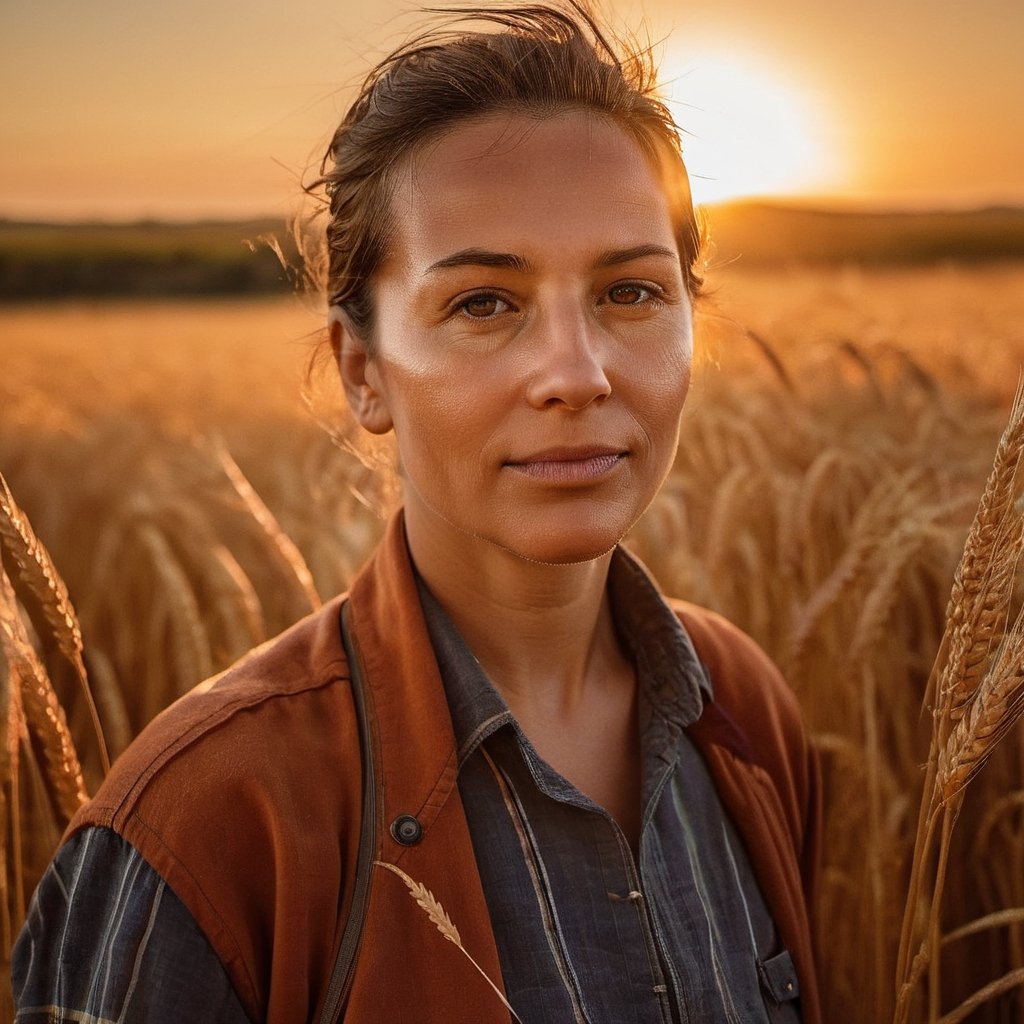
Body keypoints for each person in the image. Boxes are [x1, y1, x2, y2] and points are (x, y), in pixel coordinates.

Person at [12, 3, 821, 1021]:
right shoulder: (208, 825)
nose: (576, 373)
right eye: (484, 302)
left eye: (631, 292)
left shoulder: (743, 712)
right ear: (364, 372)